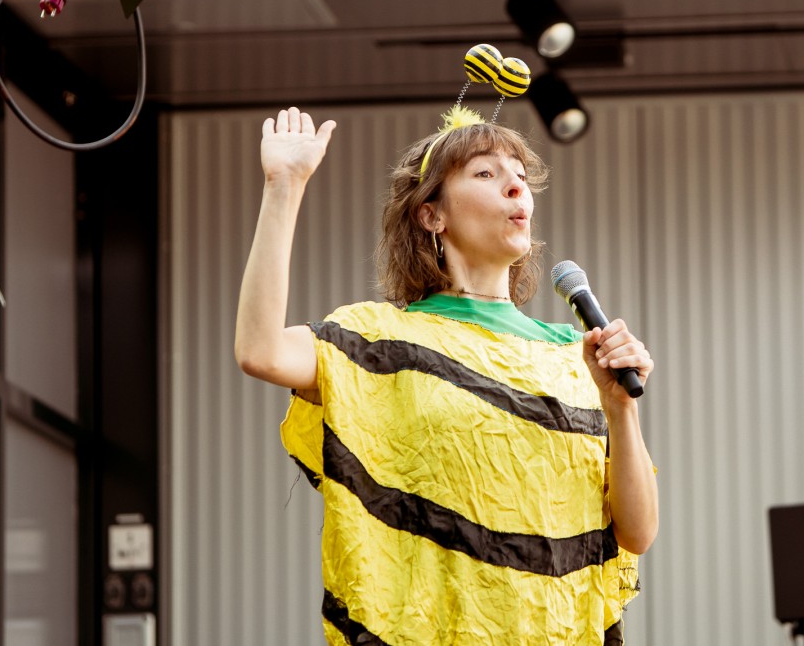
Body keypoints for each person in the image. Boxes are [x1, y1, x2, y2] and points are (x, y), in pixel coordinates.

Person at [235, 106, 658, 646]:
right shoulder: (382, 342)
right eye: (486, 173)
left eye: (520, 176)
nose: (517, 188)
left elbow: (638, 533)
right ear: (431, 215)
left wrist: (621, 407)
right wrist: (285, 186)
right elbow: (260, 350)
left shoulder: (576, 355)